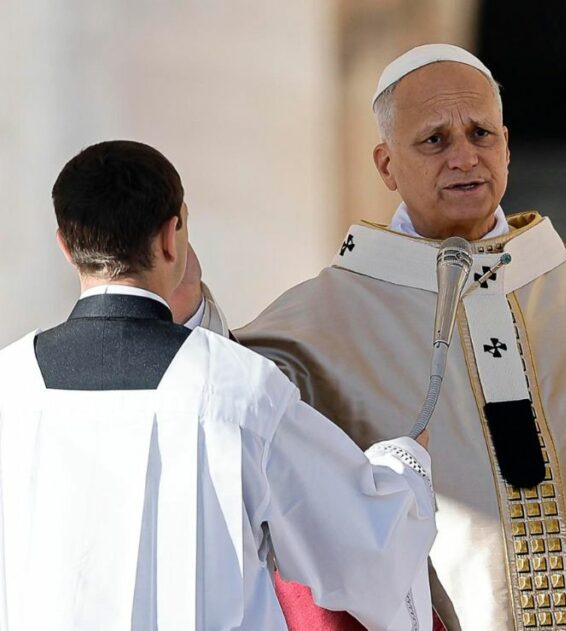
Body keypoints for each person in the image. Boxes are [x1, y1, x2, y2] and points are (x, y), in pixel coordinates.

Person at [191, 44, 566, 630]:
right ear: (386, 166)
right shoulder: (310, 333)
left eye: (481, 133)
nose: (464, 156)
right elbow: (219, 426)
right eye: (434, 140)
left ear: (506, 147)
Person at [0, 140, 437, 630]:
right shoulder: (236, 389)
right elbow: (361, 548)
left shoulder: (7, 384)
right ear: (173, 237)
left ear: (64, 245)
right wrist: (406, 465)